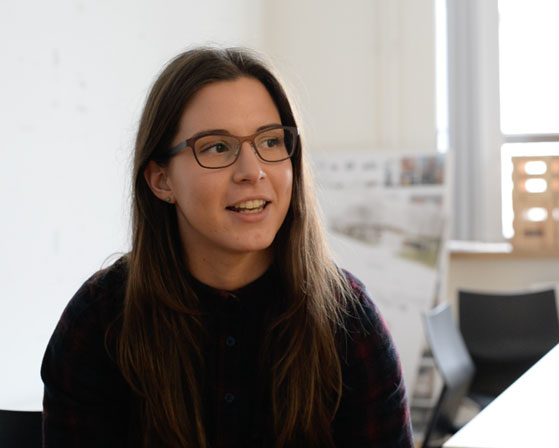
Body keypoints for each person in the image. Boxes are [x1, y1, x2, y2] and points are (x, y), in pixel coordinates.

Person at [41, 47, 413, 447]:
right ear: (161, 180)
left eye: (270, 141)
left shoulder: (349, 321)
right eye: (217, 147)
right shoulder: (99, 320)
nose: (253, 172)